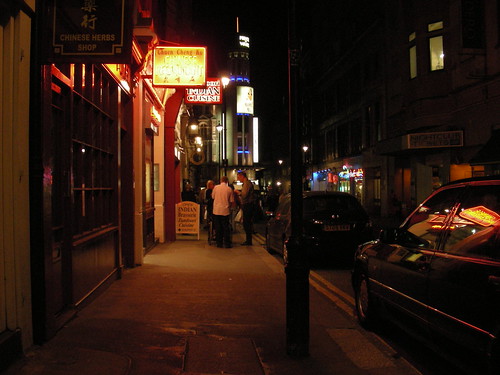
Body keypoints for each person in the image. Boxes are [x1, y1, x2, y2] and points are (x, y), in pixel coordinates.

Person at [211, 176, 235, 248]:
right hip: (225, 210)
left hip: (216, 210)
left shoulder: (216, 188)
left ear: (221, 180)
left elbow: (213, 197)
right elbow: (231, 200)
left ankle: (219, 243)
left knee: (218, 227)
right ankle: (227, 243)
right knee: (225, 227)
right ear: (227, 181)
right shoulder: (229, 189)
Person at [236, 171, 255, 245]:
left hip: (248, 205)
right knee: (247, 223)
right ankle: (248, 240)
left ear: (242, 176)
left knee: (246, 223)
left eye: (238, 177)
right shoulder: (247, 183)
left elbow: (244, 195)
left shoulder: (247, 184)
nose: (238, 179)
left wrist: (238, 192)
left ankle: (249, 240)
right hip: (248, 205)